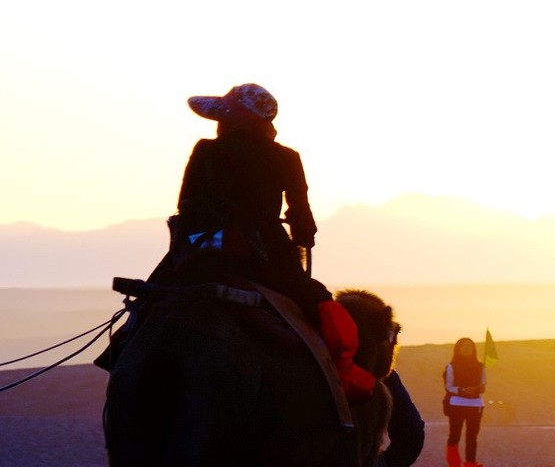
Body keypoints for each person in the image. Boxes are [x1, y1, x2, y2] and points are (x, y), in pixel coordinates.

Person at [97, 83, 375, 402]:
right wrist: (302, 236)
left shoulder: (206, 151)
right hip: (266, 257)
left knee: (154, 297)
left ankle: (119, 352)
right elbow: (302, 222)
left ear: (230, 120)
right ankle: (339, 378)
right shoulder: (286, 157)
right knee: (318, 302)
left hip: (198, 250)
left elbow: (185, 204)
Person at [444, 337, 487, 467]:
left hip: (476, 404)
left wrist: (476, 389)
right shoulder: (451, 366)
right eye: (463, 346)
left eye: (469, 346)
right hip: (456, 403)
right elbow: (449, 386)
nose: (466, 348)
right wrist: (463, 390)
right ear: (457, 349)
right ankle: (454, 464)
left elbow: (483, 385)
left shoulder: (481, 366)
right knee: (455, 434)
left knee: (472, 434)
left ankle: (470, 462)